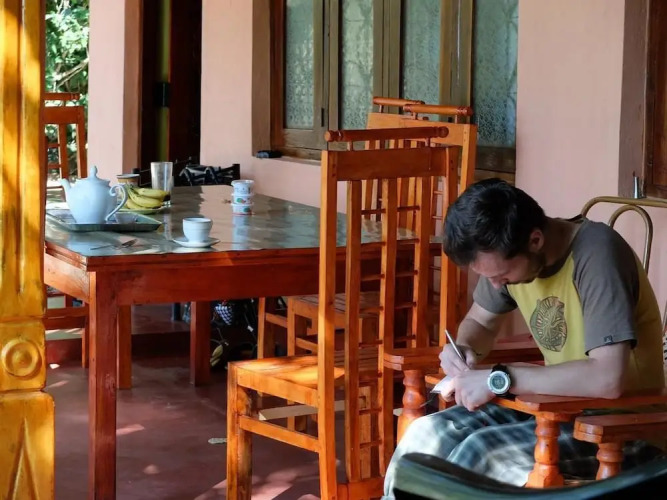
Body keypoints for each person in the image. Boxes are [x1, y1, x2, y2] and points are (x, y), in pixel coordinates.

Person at [383, 178, 665, 498]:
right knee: (425, 434)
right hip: (556, 409)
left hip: (624, 426)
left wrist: (499, 378)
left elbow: (608, 378)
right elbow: (479, 321)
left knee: (478, 453)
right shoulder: (511, 256)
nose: (495, 284)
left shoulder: (598, 255)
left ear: (535, 240)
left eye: (500, 276)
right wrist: (464, 347)